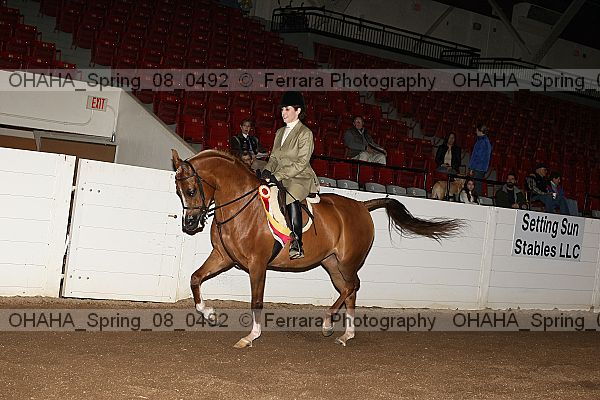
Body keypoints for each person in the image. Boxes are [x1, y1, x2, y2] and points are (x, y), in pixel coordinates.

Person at [261, 91, 320, 260]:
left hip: (300, 177)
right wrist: (267, 170)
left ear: (298, 111)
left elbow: (302, 163)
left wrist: (278, 175)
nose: (283, 113)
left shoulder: (305, 133)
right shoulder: (280, 132)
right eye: (282, 110)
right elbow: (274, 157)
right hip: (279, 175)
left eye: (287, 109)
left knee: (291, 195)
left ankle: (296, 242)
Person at [468, 123, 492, 196]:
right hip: (481, 168)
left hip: (478, 168)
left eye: (477, 130)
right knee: (477, 185)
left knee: (476, 187)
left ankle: (476, 199)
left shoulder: (482, 141)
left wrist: (472, 168)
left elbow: (478, 156)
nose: (476, 132)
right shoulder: (485, 141)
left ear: (480, 131)